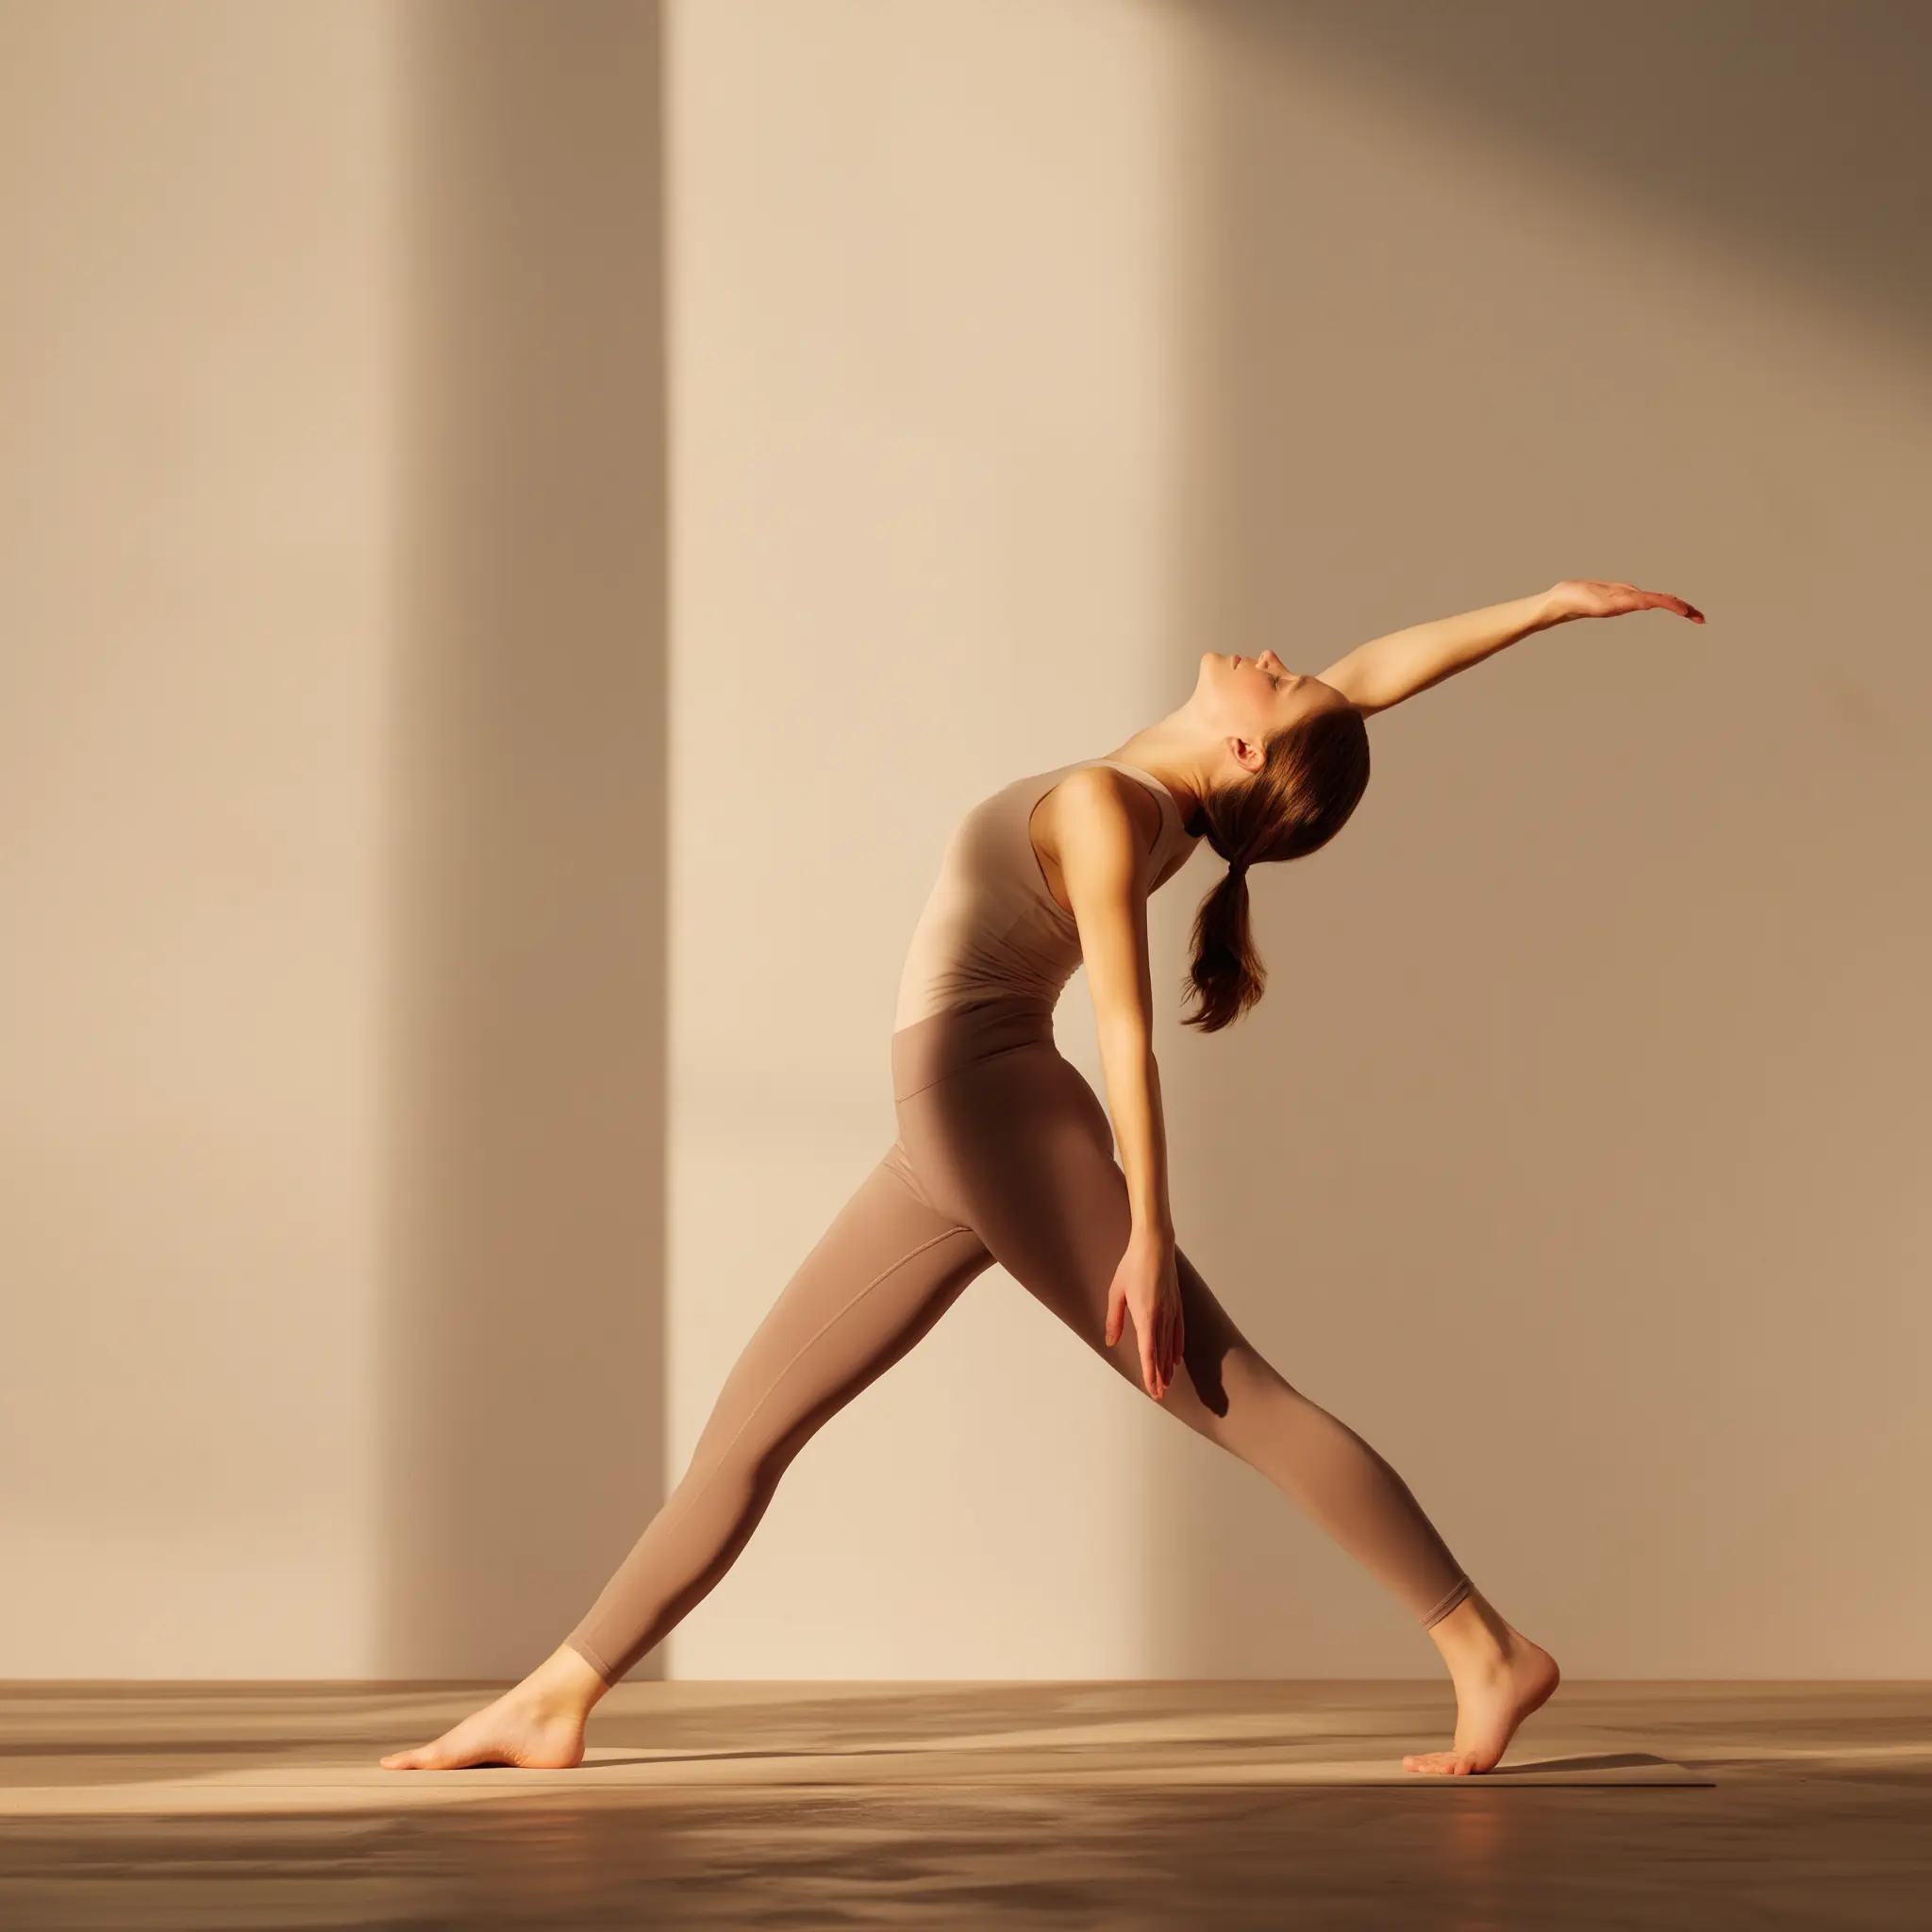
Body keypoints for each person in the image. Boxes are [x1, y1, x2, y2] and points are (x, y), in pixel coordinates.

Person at [381, 575, 1704, 1777]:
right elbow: (1367, 678)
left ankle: (1485, 1650)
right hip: (948, 1138)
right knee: (752, 1427)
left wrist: (1145, 1227)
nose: (1279, 653)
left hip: (999, 1124)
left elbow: (1125, 1028)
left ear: (1249, 746)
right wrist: (1550, 607)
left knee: (1238, 1398)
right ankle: (558, 1697)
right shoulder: (1178, 793)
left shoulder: (1103, 809)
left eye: (1279, 681)